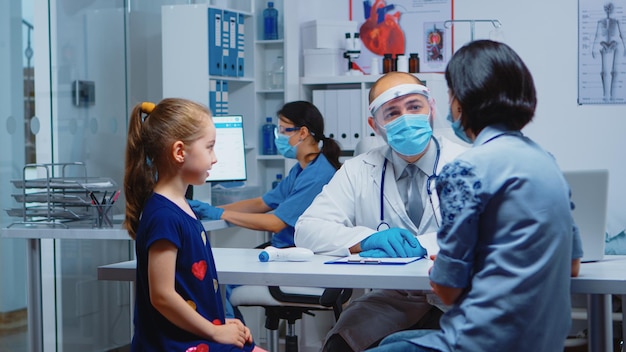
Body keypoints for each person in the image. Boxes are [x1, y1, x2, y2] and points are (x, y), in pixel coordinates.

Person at [367, 40, 584, 352]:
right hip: (542, 342)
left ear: (460, 102)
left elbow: (448, 291)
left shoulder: (465, 169)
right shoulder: (545, 160)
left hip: (479, 342)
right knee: (394, 341)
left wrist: (444, 268)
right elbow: (572, 265)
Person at [294, 71, 467, 352]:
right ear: (375, 124)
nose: (406, 119)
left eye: (414, 107)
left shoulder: (467, 163)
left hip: (460, 298)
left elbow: (488, 237)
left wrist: (423, 246)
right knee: (338, 347)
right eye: (392, 113)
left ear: (431, 109)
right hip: (392, 299)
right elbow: (307, 229)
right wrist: (367, 239)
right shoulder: (358, 170)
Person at [123, 98, 264, 351]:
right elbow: (162, 296)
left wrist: (220, 323)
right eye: (209, 147)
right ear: (179, 152)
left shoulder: (181, 206)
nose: (215, 158)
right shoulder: (163, 216)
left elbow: (189, 292)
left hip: (193, 333)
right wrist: (214, 331)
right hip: (173, 344)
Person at [189, 100, 342, 318]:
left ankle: (232, 341)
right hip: (283, 252)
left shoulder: (318, 174)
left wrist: (221, 214)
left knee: (215, 281)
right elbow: (263, 203)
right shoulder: (302, 169)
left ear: (303, 133)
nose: (278, 137)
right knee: (217, 277)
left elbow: (276, 223)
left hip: (296, 257)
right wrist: (211, 208)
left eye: (283, 131)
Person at [591, 2, 626, 101]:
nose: (608, 11)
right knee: (603, 71)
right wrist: (592, 49)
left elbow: (620, 35)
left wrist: (624, 48)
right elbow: (596, 35)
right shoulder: (600, 22)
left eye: (609, 9)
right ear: (604, 10)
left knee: (612, 70)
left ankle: (610, 94)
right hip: (603, 45)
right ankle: (604, 94)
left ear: (611, 10)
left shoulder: (615, 21)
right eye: (606, 9)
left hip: (613, 45)